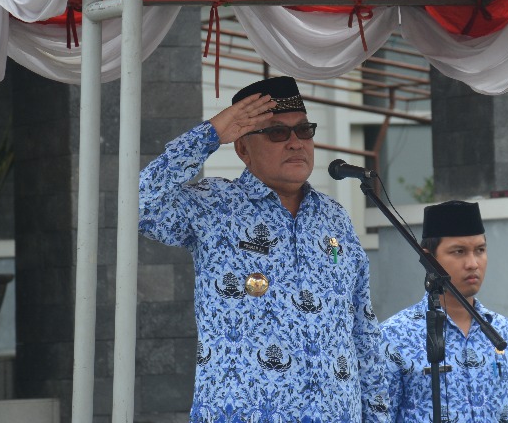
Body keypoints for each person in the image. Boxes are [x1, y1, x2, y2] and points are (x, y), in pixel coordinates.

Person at [139, 76, 390, 423]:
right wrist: (209, 135)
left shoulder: (334, 218)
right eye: (277, 133)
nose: (295, 143)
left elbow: (363, 328)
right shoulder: (215, 206)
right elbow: (139, 206)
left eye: (304, 131)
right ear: (242, 148)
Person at [380, 200, 508, 423]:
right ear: (429, 259)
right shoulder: (394, 336)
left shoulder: (506, 333)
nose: (473, 263)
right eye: (459, 252)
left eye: (480, 250)